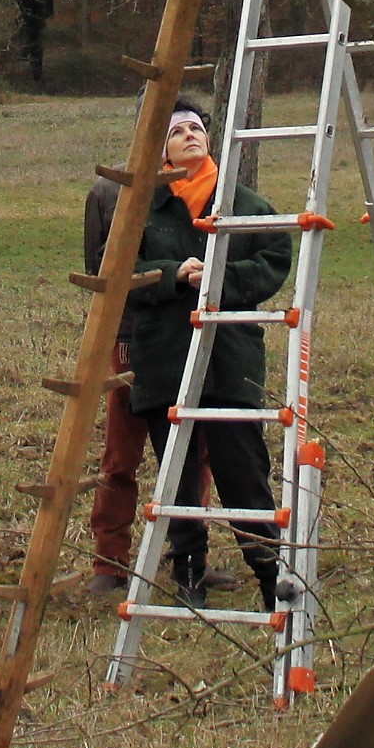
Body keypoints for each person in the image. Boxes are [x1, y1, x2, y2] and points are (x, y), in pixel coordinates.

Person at [123, 100, 292, 609]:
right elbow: (123, 272)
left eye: (196, 128)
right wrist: (175, 273)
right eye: (177, 131)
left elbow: (274, 259)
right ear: (162, 149)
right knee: (174, 474)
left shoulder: (248, 205)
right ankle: (189, 575)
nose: (190, 136)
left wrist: (220, 280)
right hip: (165, 359)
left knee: (244, 474)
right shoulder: (141, 209)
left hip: (230, 360)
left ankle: (270, 576)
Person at [83, 158, 216, 594]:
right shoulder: (110, 189)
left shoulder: (217, 184)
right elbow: (102, 268)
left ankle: (191, 558)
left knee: (193, 452)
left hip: (191, 335)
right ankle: (110, 560)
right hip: (132, 338)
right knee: (122, 453)